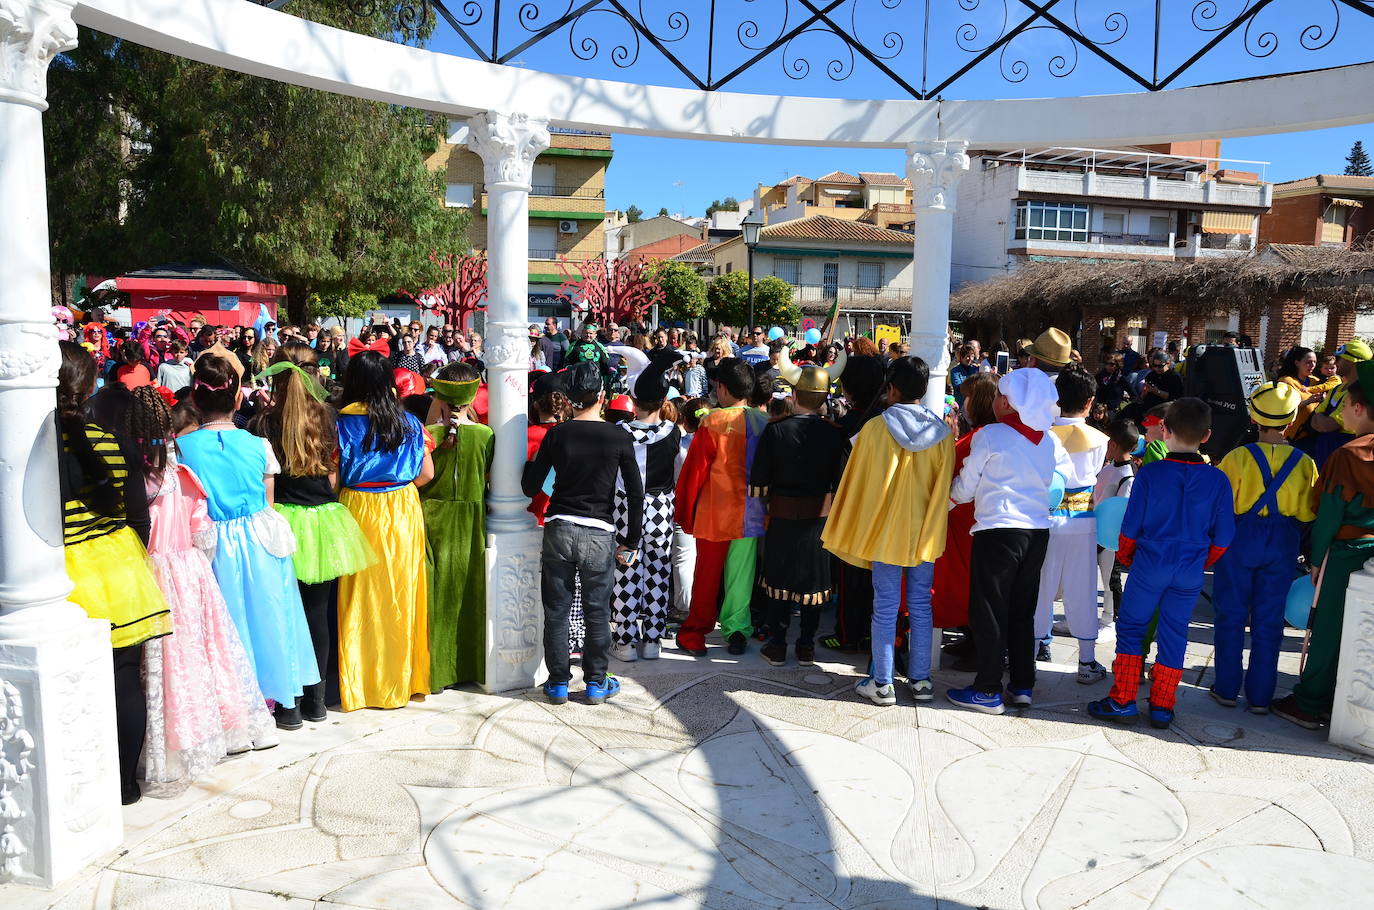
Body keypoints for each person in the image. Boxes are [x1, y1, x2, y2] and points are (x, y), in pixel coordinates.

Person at [137, 385, 277, 787]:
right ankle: (222, 726)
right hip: (191, 568)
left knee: (169, 662)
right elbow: (203, 530)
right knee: (206, 652)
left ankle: (179, 739)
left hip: (156, 571)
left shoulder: (144, 480)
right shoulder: (184, 474)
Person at [175, 352, 322, 731]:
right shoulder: (259, 445)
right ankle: (286, 705)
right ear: (238, 398)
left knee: (228, 626)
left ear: (194, 399)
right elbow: (268, 504)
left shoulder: (179, 448)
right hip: (260, 539)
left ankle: (237, 710)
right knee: (274, 619)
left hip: (210, 544)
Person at [56, 342, 171, 805]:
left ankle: (75, 786)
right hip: (118, 565)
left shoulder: (31, 446)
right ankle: (125, 784)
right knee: (125, 677)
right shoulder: (112, 440)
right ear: (88, 387)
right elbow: (138, 519)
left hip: (60, 573)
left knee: (67, 682)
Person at [1088, 398, 1235, 729]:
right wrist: (1201, 559)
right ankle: (1162, 705)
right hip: (1189, 567)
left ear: (1164, 430)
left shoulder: (1151, 473)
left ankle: (1123, 699)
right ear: (1207, 435)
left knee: (1131, 628)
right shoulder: (1217, 480)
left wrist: (1126, 556)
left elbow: (1130, 526)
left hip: (1149, 563)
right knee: (1175, 632)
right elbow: (1224, 537)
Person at [251, 343, 375, 717]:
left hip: (284, 524)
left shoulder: (263, 423)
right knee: (318, 616)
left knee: (286, 616)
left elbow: (264, 482)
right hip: (324, 521)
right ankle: (318, 702)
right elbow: (336, 473)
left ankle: (289, 706)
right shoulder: (330, 418)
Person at [824, 356, 952, 704]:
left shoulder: (875, 429)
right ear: (924, 391)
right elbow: (943, 491)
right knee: (922, 606)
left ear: (891, 389)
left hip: (884, 533)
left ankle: (882, 683)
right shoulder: (943, 434)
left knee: (884, 606)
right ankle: (922, 681)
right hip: (923, 533)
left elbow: (857, 483)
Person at [521, 362, 643, 705]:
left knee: (557, 610)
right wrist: (631, 539)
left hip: (559, 525)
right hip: (599, 531)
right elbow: (635, 492)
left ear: (569, 399)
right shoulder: (619, 436)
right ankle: (594, 682)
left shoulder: (557, 434)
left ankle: (558, 682)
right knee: (597, 611)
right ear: (602, 396)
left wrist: (530, 465)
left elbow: (530, 486)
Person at [946, 367, 1064, 714]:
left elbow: (966, 486)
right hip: (1037, 532)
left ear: (1009, 402)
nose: (995, 401)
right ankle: (1023, 684)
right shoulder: (1048, 439)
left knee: (989, 611)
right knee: (1021, 610)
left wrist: (945, 501)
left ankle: (986, 689)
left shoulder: (991, 435)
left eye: (1000, 396)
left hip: (998, 531)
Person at [1274, 360, 1374, 729]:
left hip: (1347, 553)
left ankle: (1312, 701)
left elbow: (1328, 514)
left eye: (1345, 404)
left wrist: (1317, 559)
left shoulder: (1349, 455)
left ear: (1359, 409)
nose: (1343, 410)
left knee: (1328, 629)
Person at [334, 351, 436, 711]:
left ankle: (360, 685)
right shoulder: (410, 423)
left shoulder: (341, 424)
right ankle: (402, 680)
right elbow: (426, 475)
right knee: (402, 593)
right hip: (403, 509)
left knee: (358, 596)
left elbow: (335, 478)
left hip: (358, 506)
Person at [1210, 382, 1317, 715]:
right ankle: (1260, 696)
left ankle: (1227, 688)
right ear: (1291, 420)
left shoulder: (1237, 457)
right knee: (1270, 620)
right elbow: (1306, 512)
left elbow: (1221, 505)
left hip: (1241, 539)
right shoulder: (1304, 462)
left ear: (1254, 419)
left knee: (1230, 613)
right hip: (1282, 541)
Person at [753, 350, 849, 669]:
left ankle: (778, 646)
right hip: (821, 521)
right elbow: (842, 483)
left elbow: (759, 483)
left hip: (781, 518)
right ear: (823, 398)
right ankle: (806, 646)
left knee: (779, 581)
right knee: (814, 585)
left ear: (794, 394)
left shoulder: (776, 430)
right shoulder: (835, 436)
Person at [674, 359, 768, 656]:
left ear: (722, 388)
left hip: (714, 514)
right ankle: (737, 629)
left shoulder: (711, 423)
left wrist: (685, 513)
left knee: (706, 577)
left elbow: (694, 473)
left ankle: (695, 634)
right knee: (741, 576)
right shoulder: (763, 422)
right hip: (752, 514)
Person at [1034, 369, 1111, 679]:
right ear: (1090, 401)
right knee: (1082, 590)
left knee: (1039, 588)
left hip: (1046, 518)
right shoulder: (1101, 440)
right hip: (1083, 520)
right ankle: (1087, 661)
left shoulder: (1042, 435)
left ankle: (1029, 658)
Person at [609, 355, 682, 662]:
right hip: (662, 510)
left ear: (633, 400)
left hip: (626, 511)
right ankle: (652, 640)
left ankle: (625, 641)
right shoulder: (672, 431)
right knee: (658, 572)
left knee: (625, 573)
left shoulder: (620, 431)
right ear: (663, 399)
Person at [932, 373, 999, 661]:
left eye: (967, 398)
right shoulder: (984, 435)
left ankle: (977, 644)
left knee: (969, 583)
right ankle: (970, 636)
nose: (963, 403)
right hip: (968, 519)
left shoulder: (979, 438)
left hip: (967, 519)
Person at [1093, 418, 1140, 632]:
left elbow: (1122, 510)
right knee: (1097, 576)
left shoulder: (1127, 476)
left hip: (1111, 537)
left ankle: (1110, 620)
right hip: (1097, 530)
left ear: (1112, 444)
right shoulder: (1110, 469)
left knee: (1110, 578)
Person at [1308, 340, 1371, 468]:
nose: (1335, 362)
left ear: (1351, 361)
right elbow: (1314, 420)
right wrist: (1322, 421)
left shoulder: (1360, 392)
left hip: (1347, 452)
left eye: (1339, 358)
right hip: (1325, 450)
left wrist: (1321, 420)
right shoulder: (1337, 389)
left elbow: (1328, 425)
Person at [1277, 345, 1339, 447]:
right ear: (1297, 363)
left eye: (1314, 362)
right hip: (1295, 437)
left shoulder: (1316, 381)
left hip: (1316, 434)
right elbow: (1283, 409)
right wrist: (1307, 401)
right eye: (1308, 362)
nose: (1312, 365)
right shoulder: (1286, 381)